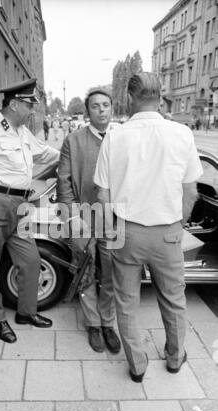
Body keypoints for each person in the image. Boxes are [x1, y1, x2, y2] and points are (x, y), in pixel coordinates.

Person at [94, 72, 203, 381]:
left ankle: (137, 366)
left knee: (126, 301)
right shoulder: (181, 133)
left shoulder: (115, 136)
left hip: (126, 230)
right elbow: (191, 191)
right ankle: (174, 357)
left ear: (130, 98)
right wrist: (176, 225)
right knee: (173, 299)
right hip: (167, 230)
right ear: (161, 96)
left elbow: (102, 194)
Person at [0, 78, 59, 343]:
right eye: (29, 106)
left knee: (31, 260)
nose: (32, 112)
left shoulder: (21, 131)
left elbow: (44, 153)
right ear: (15, 104)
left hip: (20, 206)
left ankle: (26, 313)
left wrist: (72, 151)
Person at [57, 89, 121, 354]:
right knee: (85, 272)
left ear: (112, 108)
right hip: (82, 219)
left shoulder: (122, 139)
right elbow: (64, 182)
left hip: (115, 220)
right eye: (95, 106)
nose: (102, 110)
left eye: (106, 105)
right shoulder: (73, 140)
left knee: (109, 273)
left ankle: (108, 323)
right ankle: (92, 324)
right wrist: (73, 218)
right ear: (88, 112)